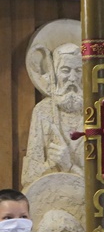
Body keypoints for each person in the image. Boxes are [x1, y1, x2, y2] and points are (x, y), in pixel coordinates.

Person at [22, 42, 84, 189]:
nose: (73, 78)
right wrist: (50, 163)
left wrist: (69, 166)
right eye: (65, 70)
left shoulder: (95, 112)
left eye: (78, 70)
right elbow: (28, 178)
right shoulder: (43, 112)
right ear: (55, 73)